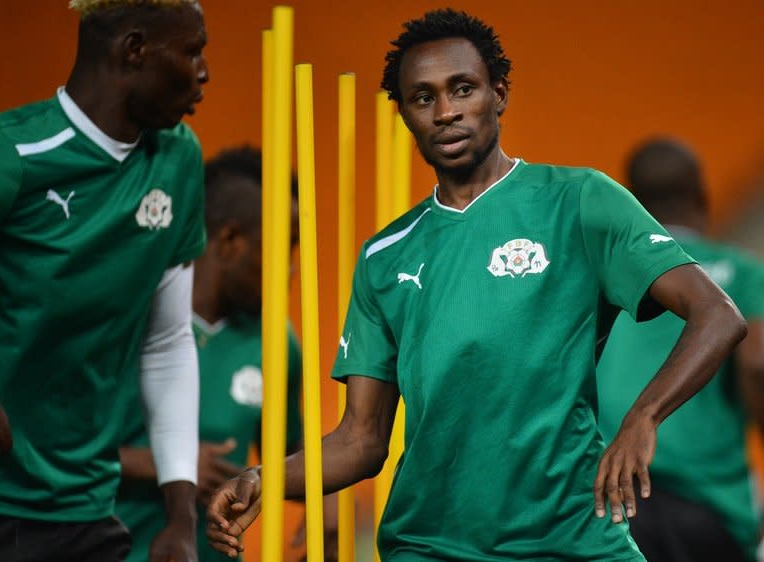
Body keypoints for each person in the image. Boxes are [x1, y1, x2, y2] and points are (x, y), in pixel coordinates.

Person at [206, 9, 747, 561]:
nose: (445, 112)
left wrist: (642, 418)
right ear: (405, 114)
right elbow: (361, 439)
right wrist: (262, 478)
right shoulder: (384, 257)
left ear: (499, 94)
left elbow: (718, 315)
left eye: (461, 89)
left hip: (572, 538)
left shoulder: (580, 200)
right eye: (422, 98)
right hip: (432, 544)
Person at [0, 1, 209, 560]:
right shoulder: (12, 154)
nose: (204, 73)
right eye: (191, 52)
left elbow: (167, 343)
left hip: (88, 509)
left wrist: (180, 516)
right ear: (133, 50)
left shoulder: (179, 159)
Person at [116, 146, 338, 562]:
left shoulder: (276, 341)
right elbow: (52, 449)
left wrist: (324, 501)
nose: (292, 269)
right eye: (284, 246)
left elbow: (291, 454)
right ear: (231, 241)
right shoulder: (128, 316)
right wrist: (168, 465)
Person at [596, 138, 764, 562]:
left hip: (608, 500)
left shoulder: (605, 274)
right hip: (706, 504)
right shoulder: (741, 274)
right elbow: (759, 364)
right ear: (702, 197)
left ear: (632, 203)